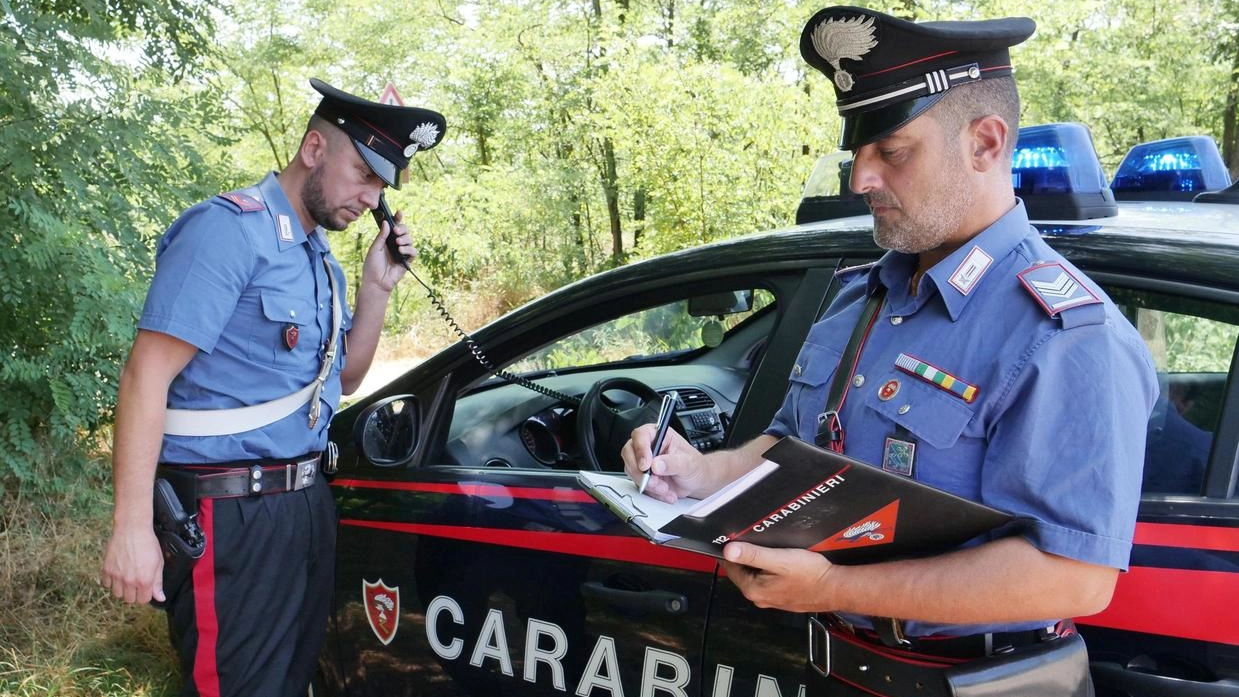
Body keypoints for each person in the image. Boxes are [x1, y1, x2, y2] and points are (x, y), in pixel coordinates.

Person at [622, 7, 1157, 696]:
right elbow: (794, 447)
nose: (859, 180)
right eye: (857, 153)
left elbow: (1075, 577)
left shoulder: (1064, 335)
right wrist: (698, 473)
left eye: (891, 152)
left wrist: (834, 585)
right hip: (839, 671)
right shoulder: (864, 298)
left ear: (985, 143)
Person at [100, 78, 446, 697]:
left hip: (302, 506)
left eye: (382, 188)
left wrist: (377, 289)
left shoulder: (324, 262)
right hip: (229, 513)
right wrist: (131, 527)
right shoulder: (228, 232)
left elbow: (340, 381)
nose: (372, 199)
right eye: (364, 175)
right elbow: (144, 375)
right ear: (314, 148)